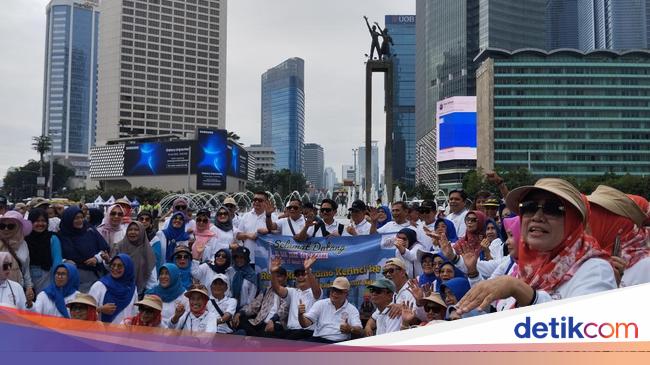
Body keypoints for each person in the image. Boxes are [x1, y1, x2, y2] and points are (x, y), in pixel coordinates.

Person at [455, 178, 617, 316]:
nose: (537, 217)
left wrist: (522, 291)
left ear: (574, 221)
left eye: (552, 209)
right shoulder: (525, 266)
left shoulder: (595, 270)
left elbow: (580, 333)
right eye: (529, 208)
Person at [587, 185, 650, 287]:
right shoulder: (584, 258)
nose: (588, 221)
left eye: (597, 212)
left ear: (617, 223)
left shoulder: (645, 266)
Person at [269, 255, 321, 340]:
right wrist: (273, 273)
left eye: (303, 274)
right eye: (297, 275)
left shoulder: (315, 292)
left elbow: (317, 291)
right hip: (290, 331)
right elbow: (277, 289)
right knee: (267, 338)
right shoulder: (293, 292)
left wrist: (308, 270)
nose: (300, 277)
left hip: (307, 332)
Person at [58, 207, 110, 293]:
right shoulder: (61, 236)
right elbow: (56, 256)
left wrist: (96, 258)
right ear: (68, 219)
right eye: (76, 218)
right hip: (76, 277)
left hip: (97, 274)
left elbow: (104, 248)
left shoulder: (89, 230)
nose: (80, 220)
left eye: (81, 217)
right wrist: (65, 261)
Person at [298, 276, 363, 343]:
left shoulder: (352, 309)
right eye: (333, 290)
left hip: (338, 343)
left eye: (339, 291)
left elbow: (360, 330)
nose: (334, 293)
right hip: (317, 340)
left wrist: (350, 329)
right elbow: (305, 324)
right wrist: (300, 315)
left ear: (346, 294)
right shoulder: (320, 304)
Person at [233, 265, 288, 337]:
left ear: (285, 278)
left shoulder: (288, 292)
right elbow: (254, 305)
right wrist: (240, 313)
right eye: (275, 276)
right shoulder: (267, 290)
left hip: (276, 324)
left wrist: (272, 320)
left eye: (279, 276)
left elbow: (284, 310)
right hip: (259, 323)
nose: (276, 279)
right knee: (240, 319)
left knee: (270, 333)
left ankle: (254, 338)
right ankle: (256, 338)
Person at [109, 221, 156, 296]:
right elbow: (111, 267)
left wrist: (148, 294)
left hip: (138, 293)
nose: (132, 232)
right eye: (130, 229)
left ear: (141, 232)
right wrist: (107, 261)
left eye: (136, 230)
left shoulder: (146, 250)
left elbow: (151, 274)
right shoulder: (119, 247)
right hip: (117, 289)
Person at [89, 254, 138, 324]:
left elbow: (135, 313)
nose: (115, 268)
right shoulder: (99, 286)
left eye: (120, 266)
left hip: (124, 333)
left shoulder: (132, 288)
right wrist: (100, 309)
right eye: (113, 265)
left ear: (128, 268)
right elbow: (86, 311)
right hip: (101, 332)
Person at [25, 208, 63, 294]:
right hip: (27, 278)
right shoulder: (24, 238)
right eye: (37, 221)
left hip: (47, 278)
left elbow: (57, 261)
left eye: (43, 221)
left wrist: (56, 284)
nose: (40, 224)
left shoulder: (53, 238)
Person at [0, 210, 34, 304]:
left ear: (18, 227)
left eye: (11, 226)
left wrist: (29, 287)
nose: (6, 229)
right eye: (2, 226)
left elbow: (26, 269)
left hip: (17, 288)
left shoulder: (23, 245)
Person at [236, 191, 276, 265]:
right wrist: (248, 235)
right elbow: (238, 235)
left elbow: (278, 235)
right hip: (248, 259)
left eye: (260, 200)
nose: (256, 202)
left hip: (265, 260)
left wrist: (267, 231)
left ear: (266, 202)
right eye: (255, 200)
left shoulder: (272, 217)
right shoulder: (246, 216)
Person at [145, 263, 189, 327]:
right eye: (161, 273)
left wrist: (175, 318)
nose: (163, 276)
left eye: (167, 273)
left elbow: (186, 321)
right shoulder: (150, 294)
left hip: (175, 334)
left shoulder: (184, 295)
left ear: (174, 275)